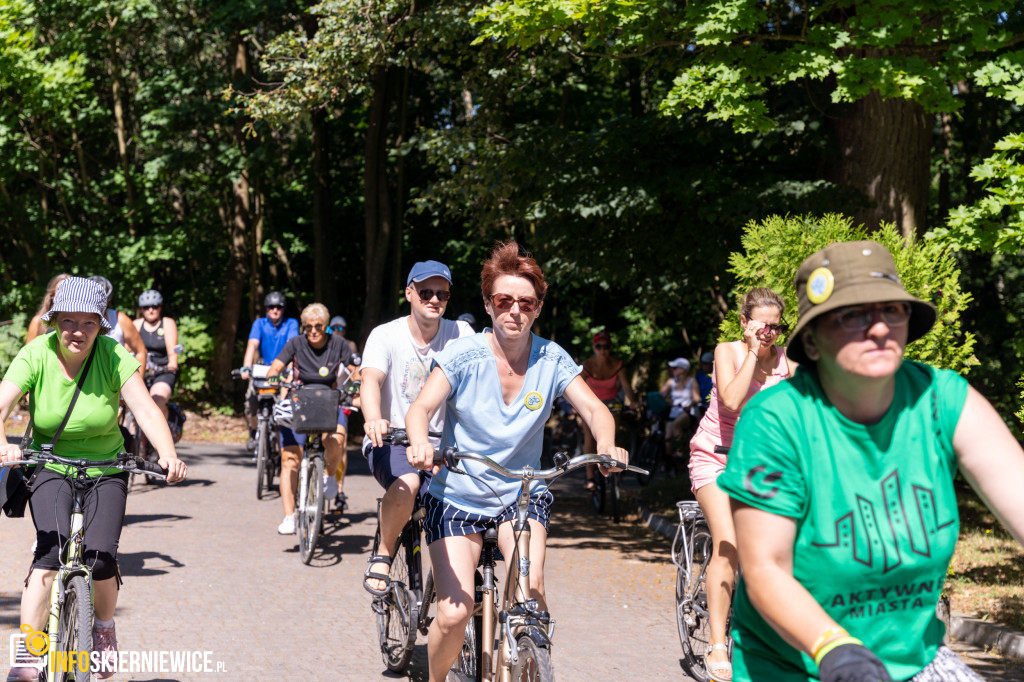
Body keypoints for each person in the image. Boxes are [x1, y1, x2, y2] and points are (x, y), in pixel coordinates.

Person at [718, 240, 1024, 682]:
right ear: (812, 341)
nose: (879, 328)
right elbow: (766, 568)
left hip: (913, 660)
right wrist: (835, 647)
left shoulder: (943, 399)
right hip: (796, 665)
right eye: (853, 315)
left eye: (892, 311)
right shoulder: (776, 421)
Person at [404, 241, 629, 682]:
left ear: (538, 307)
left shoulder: (552, 357)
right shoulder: (463, 356)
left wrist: (608, 444)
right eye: (504, 301)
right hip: (457, 495)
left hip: (520, 496)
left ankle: (527, 658)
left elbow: (597, 410)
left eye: (526, 302)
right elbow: (419, 410)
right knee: (454, 613)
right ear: (488, 305)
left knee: (532, 591)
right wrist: (419, 444)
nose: (515, 311)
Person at [0, 277, 187, 681]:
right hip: (50, 463)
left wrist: (168, 454)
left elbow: (146, 410)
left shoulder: (112, 354)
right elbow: (1, 403)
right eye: (68, 320)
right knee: (49, 556)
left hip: (106, 468)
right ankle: (30, 655)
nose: (77, 330)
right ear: (54, 321)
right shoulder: (36, 353)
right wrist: (5, 444)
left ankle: (101, 628)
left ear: (101, 325)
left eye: (88, 322)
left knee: (100, 558)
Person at [688, 286, 796, 682]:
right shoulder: (728, 351)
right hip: (716, 456)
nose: (768, 333)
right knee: (729, 541)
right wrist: (752, 352)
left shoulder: (788, 362)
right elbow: (732, 401)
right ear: (745, 322)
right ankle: (718, 643)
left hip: (764, 464)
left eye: (774, 327)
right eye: (761, 325)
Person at [360, 260, 473, 595]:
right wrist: (372, 417)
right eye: (426, 292)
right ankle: (383, 552)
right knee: (408, 482)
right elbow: (370, 381)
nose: (434, 299)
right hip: (394, 439)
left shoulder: (461, 334)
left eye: (442, 294)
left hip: (446, 445)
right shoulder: (385, 335)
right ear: (409, 293)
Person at [266, 303, 356, 534]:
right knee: (290, 460)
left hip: (329, 400)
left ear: (326, 327)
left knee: (337, 438)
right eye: (308, 327)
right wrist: (274, 379)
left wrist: (357, 381)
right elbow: (274, 368)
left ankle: (328, 476)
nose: (313, 331)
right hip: (299, 402)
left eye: (318, 326)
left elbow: (355, 370)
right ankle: (289, 516)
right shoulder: (296, 344)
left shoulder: (338, 344)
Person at [240, 292, 300, 451]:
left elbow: (292, 346)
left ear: (283, 309)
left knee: (284, 405)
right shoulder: (259, 323)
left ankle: (283, 445)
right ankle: (253, 432)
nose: (275, 310)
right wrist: (246, 367)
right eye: (271, 307)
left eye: (279, 307)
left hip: (282, 369)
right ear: (266, 309)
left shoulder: (291, 323)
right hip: (262, 369)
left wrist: (290, 371)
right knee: (251, 402)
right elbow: (252, 345)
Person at [580, 330, 636, 490]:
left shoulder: (617, 364)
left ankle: (615, 467)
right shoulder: (587, 365)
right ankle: (590, 476)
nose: (602, 350)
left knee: (613, 435)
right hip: (591, 404)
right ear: (593, 347)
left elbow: (626, 387)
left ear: (610, 347)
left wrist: (633, 402)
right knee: (590, 439)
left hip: (612, 404)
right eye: (599, 346)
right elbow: (577, 387)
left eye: (606, 346)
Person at [132, 290, 179, 421]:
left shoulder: (167, 323)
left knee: (157, 400)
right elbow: (127, 349)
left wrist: (172, 363)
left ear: (160, 307)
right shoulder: (136, 324)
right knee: (129, 406)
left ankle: (161, 436)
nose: (151, 310)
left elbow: (172, 350)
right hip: (141, 371)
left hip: (162, 371)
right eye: (146, 307)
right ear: (142, 309)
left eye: (155, 306)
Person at [87, 275, 147, 375]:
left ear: (108, 301)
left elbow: (141, 351)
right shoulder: (76, 321)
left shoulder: (120, 319)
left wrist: (138, 385)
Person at [660, 357, 700, 461]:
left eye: (675, 368)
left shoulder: (692, 381)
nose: (672, 370)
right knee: (667, 436)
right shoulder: (671, 382)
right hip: (673, 413)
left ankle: (680, 454)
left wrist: (690, 405)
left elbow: (696, 398)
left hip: (687, 413)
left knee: (676, 425)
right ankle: (669, 461)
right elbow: (661, 394)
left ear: (683, 369)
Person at [25, 273, 70, 343]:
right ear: (52, 296)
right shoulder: (38, 322)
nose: (65, 296)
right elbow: (28, 352)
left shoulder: (82, 323)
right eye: (60, 292)